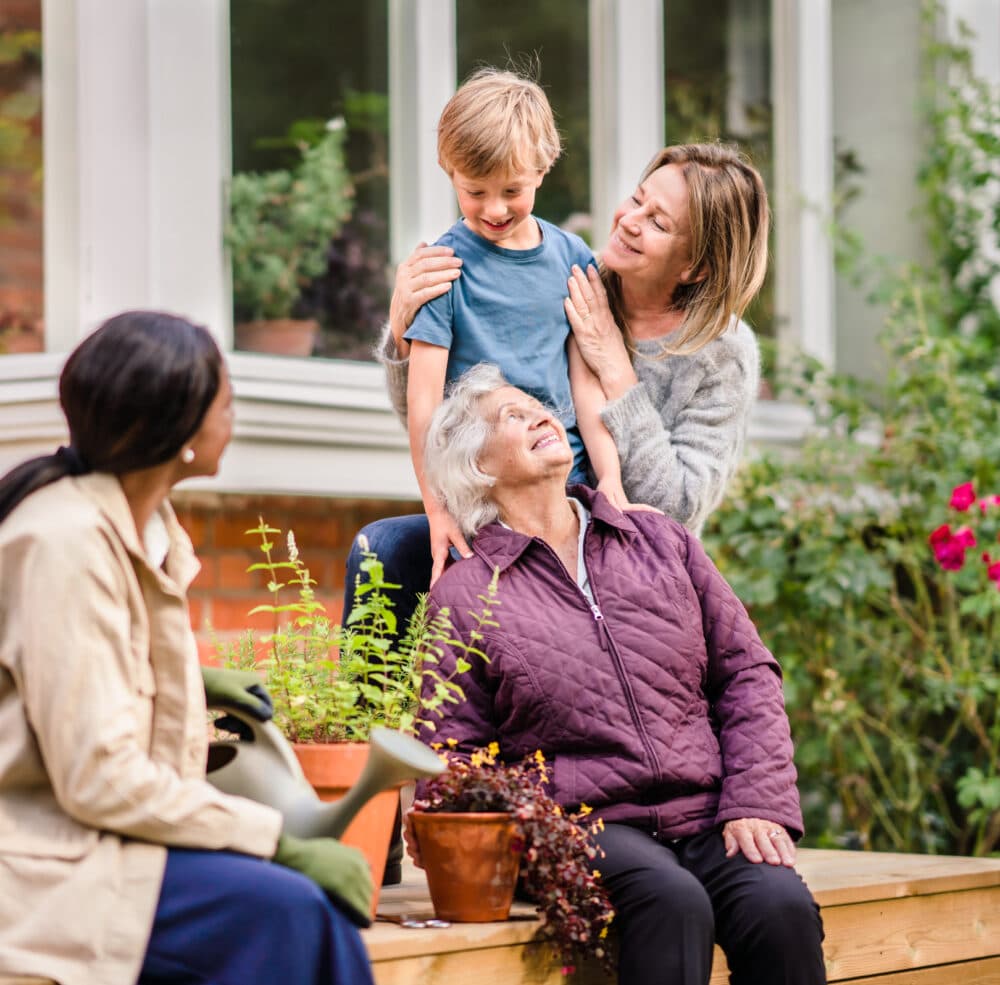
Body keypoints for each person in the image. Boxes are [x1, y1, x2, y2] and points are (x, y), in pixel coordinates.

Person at [408, 363, 826, 985]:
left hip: (710, 809)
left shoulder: (660, 541)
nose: (540, 417)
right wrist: (531, 829)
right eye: (511, 417)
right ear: (478, 468)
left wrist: (756, 803)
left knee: (780, 907)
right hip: (584, 822)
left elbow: (747, 674)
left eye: (537, 406)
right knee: (671, 902)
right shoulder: (467, 595)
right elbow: (449, 753)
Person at [0, 311, 374, 985]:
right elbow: (99, 778)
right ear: (179, 429)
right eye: (226, 402)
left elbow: (84, 672)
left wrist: (194, 681)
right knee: (293, 912)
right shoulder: (65, 541)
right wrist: (278, 843)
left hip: (114, 843)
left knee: (298, 913)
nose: (235, 415)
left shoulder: (149, 528)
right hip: (51, 863)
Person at [346, 142, 767, 647]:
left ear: (695, 266)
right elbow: (448, 422)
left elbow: (672, 507)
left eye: (658, 222)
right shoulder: (569, 277)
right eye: (636, 200)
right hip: (506, 512)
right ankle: (368, 721)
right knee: (385, 548)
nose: (630, 221)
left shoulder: (723, 352)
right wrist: (406, 331)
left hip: (619, 553)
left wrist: (615, 367)